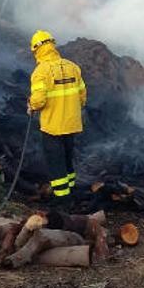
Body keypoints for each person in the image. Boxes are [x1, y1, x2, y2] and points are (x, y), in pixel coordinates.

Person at [28, 30, 87, 207]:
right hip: (72, 124)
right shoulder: (73, 67)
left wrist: (31, 105)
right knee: (68, 159)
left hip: (52, 127)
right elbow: (82, 96)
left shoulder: (40, 72)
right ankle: (71, 192)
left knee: (56, 164)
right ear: (53, 45)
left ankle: (62, 201)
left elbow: (39, 100)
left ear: (37, 50)